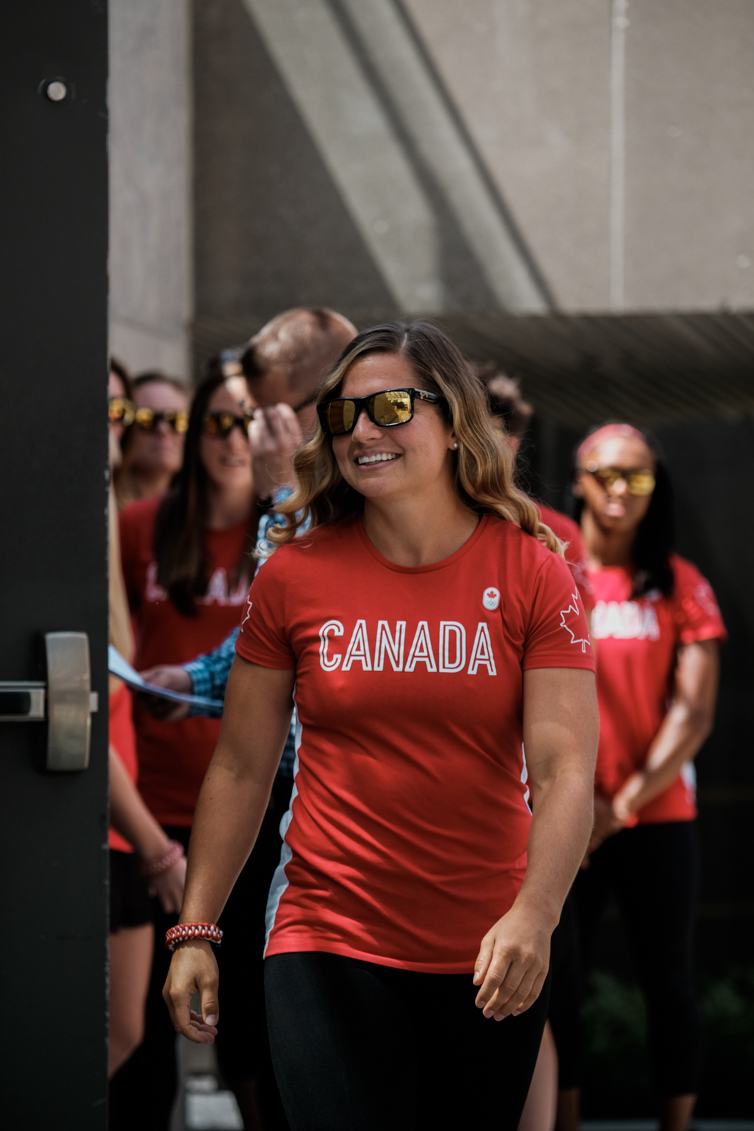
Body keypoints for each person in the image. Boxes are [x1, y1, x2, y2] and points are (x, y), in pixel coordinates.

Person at [163, 321, 599, 1131]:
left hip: (487, 950)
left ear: (455, 420)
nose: (362, 431)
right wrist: (196, 928)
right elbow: (241, 767)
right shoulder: (292, 575)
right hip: (324, 933)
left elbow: (566, 768)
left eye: (392, 407)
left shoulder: (534, 572)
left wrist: (536, 914)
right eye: (343, 414)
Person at [109, 370, 259, 1130]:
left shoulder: (287, 532)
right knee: (140, 1026)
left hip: (253, 806)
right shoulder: (142, 525)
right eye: (219, 423)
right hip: (157, 802)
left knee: (252, 1028)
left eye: (248, 421)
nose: (234, 439)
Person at [572, 423, 725, 1131]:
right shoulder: (551, 571)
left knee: (668, 983)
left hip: (656, 816)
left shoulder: (679, 582)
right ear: (579, 480)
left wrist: (621, 804)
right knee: (557, 985)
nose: (619, 490)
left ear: (655, 487)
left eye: (636, 477)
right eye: (605, 474)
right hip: (565, 819)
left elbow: (694, 715)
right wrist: (581, 806)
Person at [479, 367, 593, 1131]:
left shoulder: (546, 539)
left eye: (504, 431)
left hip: (530, 800)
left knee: (537, 982)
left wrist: (579, 789)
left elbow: (573, 681)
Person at [107, 359, 187, 1077]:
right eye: (140, 417)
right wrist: (155, 846)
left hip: (135, 809)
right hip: (124, 808)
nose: (157, 432)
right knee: (122, 1036)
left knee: (128, 1033)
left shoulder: (119, 518)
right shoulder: (116, 520)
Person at [115, 370, 190, 508]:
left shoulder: (207, 508)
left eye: (177, 420)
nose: (163, 430)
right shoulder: (104, 502)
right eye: (146, 419)